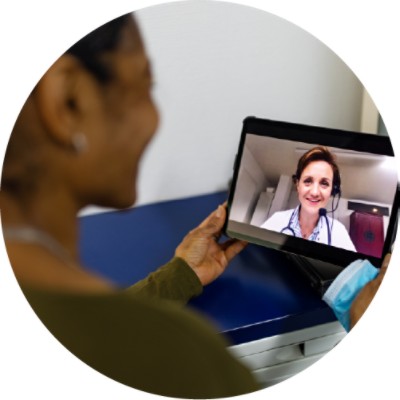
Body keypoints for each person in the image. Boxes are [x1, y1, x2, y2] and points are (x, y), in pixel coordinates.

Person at [0, 13, 258, 398]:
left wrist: (180, 275)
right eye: (145, 86)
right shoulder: (185, 363)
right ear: (68, 101)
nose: (155, 118)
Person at [261, 146, 356, 251]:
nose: (314, 192)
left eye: (324, 183)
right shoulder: (276, 220)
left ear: (332, 191)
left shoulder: (338, 232)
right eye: (308, 181)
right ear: (298, 185)